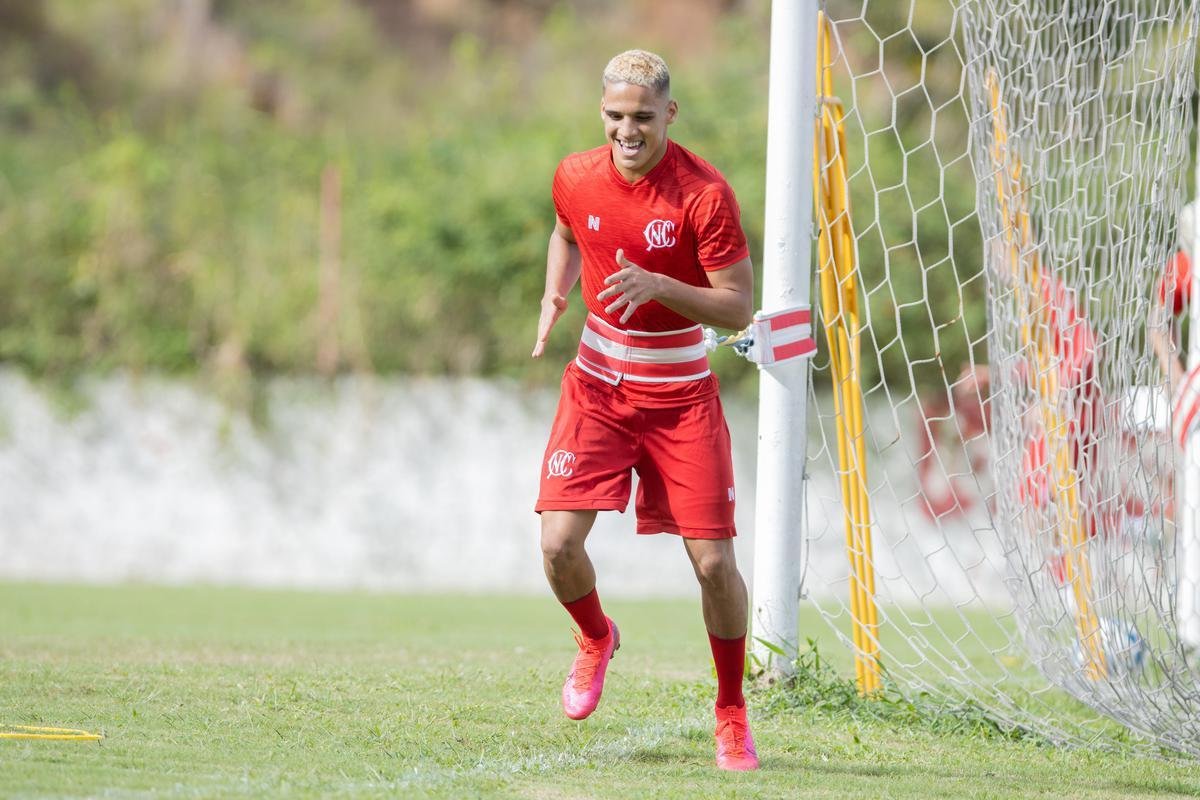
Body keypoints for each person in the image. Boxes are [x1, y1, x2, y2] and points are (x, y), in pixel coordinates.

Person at [529, 49, 758, 771]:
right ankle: (596, 638)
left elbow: (738, 306)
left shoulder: (704, 194)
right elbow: (567, 232)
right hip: (596, 385)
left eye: (642, 118)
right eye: (615, 116)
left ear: (670, 115)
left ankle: (731, 713)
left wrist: (659, 283)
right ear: (603, 112)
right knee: (558, 545)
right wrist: (554, 294)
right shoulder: (574, 173)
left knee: (715, 563)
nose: (627, 131)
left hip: (680, 395)